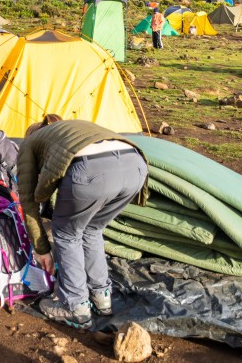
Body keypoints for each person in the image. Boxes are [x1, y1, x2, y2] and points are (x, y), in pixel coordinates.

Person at [17, 115, 148, 329]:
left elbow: (28, 199)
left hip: (92, 170)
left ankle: (75, 305)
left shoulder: (30, 143)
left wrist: (41, 249)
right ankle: (101, 298)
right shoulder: (70, 131)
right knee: (92, 229)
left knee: (67, 233)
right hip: (135, 165)